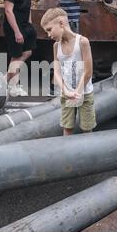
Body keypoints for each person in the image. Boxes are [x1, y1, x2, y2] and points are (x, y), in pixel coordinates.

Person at [41, 8, 96, 136]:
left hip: (84, 93)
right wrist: (65, 91)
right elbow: (57, 72)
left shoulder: (82, 42)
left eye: (49, 29)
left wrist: (77, 91)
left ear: (61, 23)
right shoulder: (56, 46)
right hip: (67, 93)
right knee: (67, 127)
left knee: (87, 129)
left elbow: (88, 71)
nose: (49, 35)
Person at [3, 0, 37, 96]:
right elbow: (8, 10)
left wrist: (29, 24)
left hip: (25, 25)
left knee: (27, 52)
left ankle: (6, 79)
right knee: (16, 57)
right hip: (14, 27)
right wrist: (17, 32)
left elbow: (28, 6)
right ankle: (11, 85)